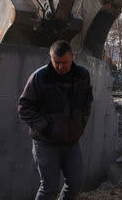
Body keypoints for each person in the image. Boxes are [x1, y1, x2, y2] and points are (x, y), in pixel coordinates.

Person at [18, 40, 93, 200]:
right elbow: (24, 108)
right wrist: (46, 127)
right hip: (45, 142)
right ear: (50, 57)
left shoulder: (82, 75)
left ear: (73, 57)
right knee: (49, 188)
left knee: (75, 184)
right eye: (56, 62)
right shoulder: (39, 77)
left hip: (71, 141)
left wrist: (81, 124)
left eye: (64, 62)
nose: (60, 67)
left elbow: (88, 101)